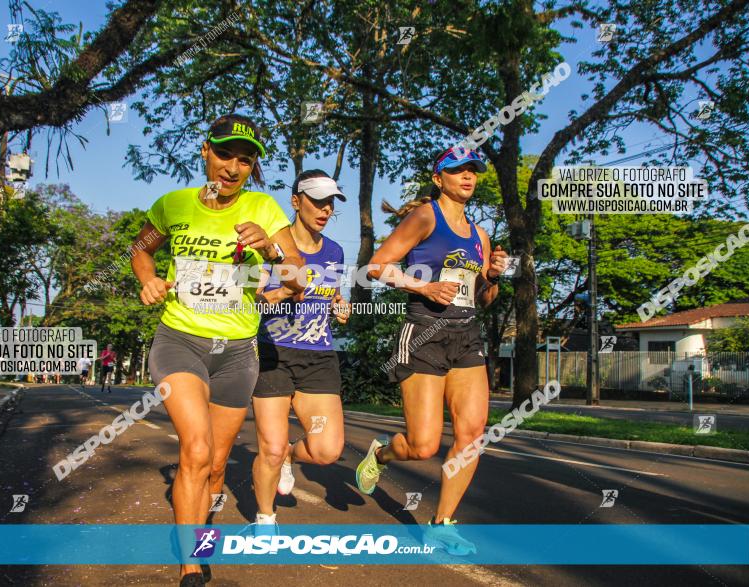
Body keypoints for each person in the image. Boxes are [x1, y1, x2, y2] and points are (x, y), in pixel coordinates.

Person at [130, 113, 305, 587]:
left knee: (216, 468)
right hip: (179, 338)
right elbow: (140, 249)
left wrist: (270, 249)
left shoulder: (264, 208)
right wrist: (148, 279)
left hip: (237, 353)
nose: (232, 167)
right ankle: (191, 566)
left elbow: (298, 276)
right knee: (197, 448)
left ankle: (200, 536)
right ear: (206, 150)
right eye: (224, 154)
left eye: (244, 160)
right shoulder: (174, 205)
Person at [354, 145, 508, 555]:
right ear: (439, 179)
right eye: (457, 170)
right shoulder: (424, 217)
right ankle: (382, 453)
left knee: (472, 434)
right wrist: (422, 286)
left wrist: (491, 276)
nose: (467, 176)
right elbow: (375, 266)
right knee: (423, 446)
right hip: (423, 333)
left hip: (467, 336)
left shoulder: (480, 235)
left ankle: (442, 523)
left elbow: (484, 299)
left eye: (472, 170)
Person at [251, 170, 351, 531]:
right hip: (274, 354)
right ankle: (265, 517)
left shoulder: (335, 251)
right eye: (317, 201)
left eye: (330, 203)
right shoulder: (272, 248)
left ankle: (293, 453)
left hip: (318, 358)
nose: (325, 209)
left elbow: (332, 294)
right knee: (270, 449)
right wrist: (283, 292)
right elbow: (249, 300)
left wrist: (340, 304)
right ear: (296, 201)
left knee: (326, 451)